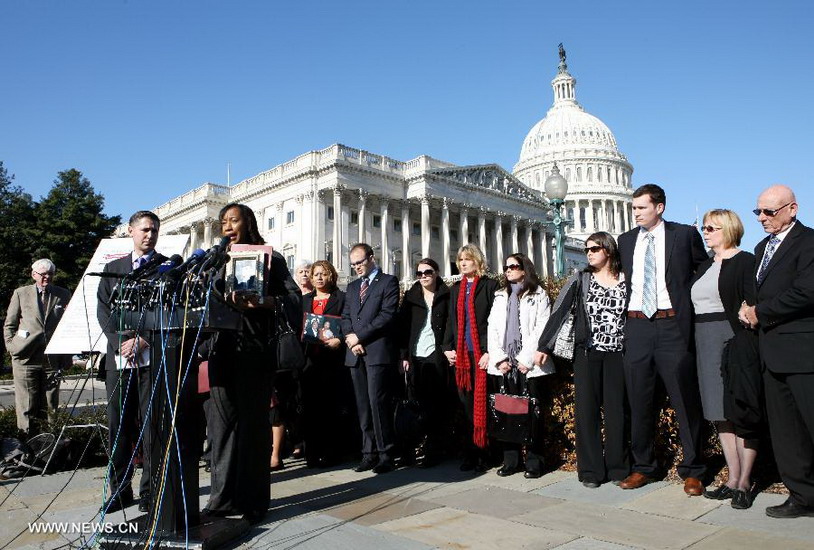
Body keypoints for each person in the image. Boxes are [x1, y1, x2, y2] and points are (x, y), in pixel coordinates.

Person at [202, 202, 298, 524]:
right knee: (222, 427)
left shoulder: (270, 257)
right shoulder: (213, 260)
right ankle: (222, 499)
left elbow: (294, 298)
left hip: (256, 350)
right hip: (222, 348)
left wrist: (268, 301)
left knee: (255, 427)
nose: (228, 226)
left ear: (248, 222)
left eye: (234, 220)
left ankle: (255, 500)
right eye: (223, 222)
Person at [616, 184, 708, 495]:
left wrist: (686, 299)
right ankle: (643, 466)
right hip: (638, 326)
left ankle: (694, 469)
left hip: (672, 326)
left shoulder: (683, 235)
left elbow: (704, 268)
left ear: (660, 207)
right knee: (639, 401)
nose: (636, 212)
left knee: (685, 400)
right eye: (634, 208)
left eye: (642, 207)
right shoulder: (626, 241)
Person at [739, 185, 814, 518]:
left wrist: (761, 312)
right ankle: (802, 497)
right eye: (759, 212)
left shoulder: (809, 242)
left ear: (792, 209)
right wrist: (749, 308)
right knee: (786, 435)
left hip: (803, 352)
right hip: (771, 353)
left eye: (770, 211)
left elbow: (806, 292)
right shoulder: (760, 248)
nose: (762, 218)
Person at [536, 232, 630, 487]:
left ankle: (618, 468)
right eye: (587, 249)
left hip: (618, 353)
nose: (589, 252)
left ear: (608, 250)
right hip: (587, 352)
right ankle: (590, 472)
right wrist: (544, 345)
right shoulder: (581, 278)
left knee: (616, 412)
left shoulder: (626, 279)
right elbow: (559, 310)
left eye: (594, 248)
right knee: (587, 412)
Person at [97, 210, 166, 513]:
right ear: (131, 231)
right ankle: (119, 490)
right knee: (119, 426)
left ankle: (150, 491)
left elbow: (169, 309)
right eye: (144, 230)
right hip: (120, 361)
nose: (149, 235)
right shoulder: (113, 269)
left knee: (151, 426)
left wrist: (144, 339)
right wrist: (118, 342)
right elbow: (103, 311)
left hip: (152, 359)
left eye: (154, 230)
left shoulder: (166, 269)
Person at [690, 210, 759, 509]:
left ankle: (746, 480)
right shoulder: (704, 265)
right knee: (719, 412)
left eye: (711, 228)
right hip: (704, 339)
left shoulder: (744, 261)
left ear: (728, 229)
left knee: (741, 408)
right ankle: (732, 478)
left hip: (733, 338)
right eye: (704, 227)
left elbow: (752, 301)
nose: (705, 232)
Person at [487, 253, 551, 478]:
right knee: (507, 413)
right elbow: (492, 328)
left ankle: (534, 461)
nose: (508, 270)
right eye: (506, 267)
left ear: (525, 269)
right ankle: (511, 461)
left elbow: (542, 326)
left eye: (513, 266)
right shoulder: (500, 295)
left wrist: (525, 359)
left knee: (533, 414)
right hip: (504, 364)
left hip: (529, 365)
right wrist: (500, 358)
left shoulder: (538, 294)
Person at [341, 243, 401, 474]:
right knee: (363, 405)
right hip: (354, 353)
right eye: (353, 264)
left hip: (376, 351)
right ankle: (368, 453)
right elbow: (346, 315)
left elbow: (387, 315)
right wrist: (349, 338)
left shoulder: (388, 282)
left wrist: (359, 337)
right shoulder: (353, 286)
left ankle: (386, 453)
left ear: (371, 258)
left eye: (360, 262)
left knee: (378, 403)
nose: (356, 267)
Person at [443, 244, 499, 471]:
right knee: (465, 406)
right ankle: (470, 453)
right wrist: (447, 347)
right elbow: (451, 321)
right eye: (461, 259)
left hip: (481, 354)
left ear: (477, 261)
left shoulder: (489, 286)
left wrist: (489, 351)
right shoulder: (455, 288)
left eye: (468, 259)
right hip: (462, 356)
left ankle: (486, 453)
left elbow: (495, 322)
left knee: (483, 403)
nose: (463, 263)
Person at [4, 258, 71, 435]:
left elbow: (67, 324)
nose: (46, 277)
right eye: (43, 274)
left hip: (52, 358)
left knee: (50, 406)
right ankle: (26, 445)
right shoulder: (21, 293)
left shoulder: (63, 294)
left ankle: (49, 445)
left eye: (50, 273)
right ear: (34, 275)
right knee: (27, 405)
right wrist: (12, 346)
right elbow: (9, 324)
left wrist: (67, 355)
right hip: (25, 356)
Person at [398, 258, 451, 468]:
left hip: (436, 355)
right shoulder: (411, 296)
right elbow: (403, 327)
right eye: (419, 273)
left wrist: (447, 348)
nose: (423, 277)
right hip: (415, 356)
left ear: (436, 272)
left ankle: (433, 451)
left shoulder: (446, 294)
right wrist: (403, 356)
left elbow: (450, 325)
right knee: (414, 406)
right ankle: (409, 451)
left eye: (427, 272)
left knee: (435, 407)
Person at [301, 260, 347, 468]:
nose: (319, 277)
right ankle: (311, 452)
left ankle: (331, 452)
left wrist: (341, 339)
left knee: (330, 407)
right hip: (309, 360)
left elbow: (348, 324)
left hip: (333, 359)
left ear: (331, 276)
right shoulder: (304, 300)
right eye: (316, 274)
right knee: (310, 408)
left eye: (323, 274)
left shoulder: (341, 298)